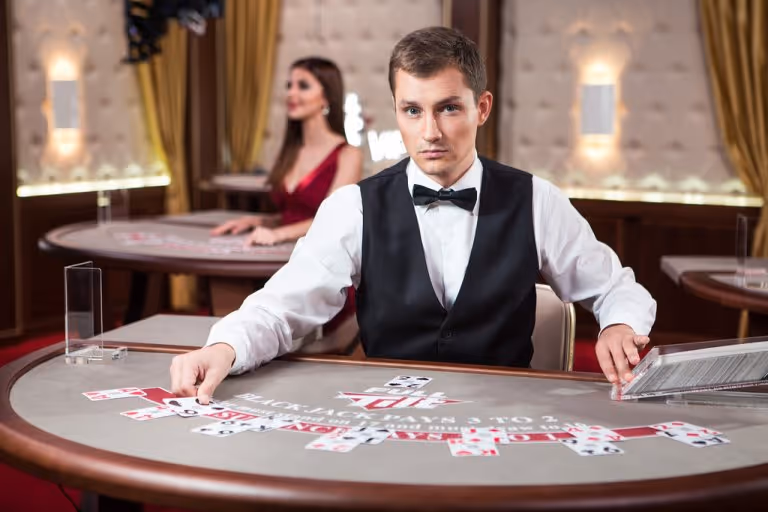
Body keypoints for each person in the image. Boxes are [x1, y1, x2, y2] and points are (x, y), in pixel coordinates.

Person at [171, 27, 656, 404]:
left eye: (448, 108)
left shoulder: (536, 199)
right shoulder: (353, 207)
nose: (430, 132)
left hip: (508, 415)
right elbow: (281, 307)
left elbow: (617, 288)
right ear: (397, 112)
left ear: (481, 108)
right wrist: (225, 347)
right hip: (388, 412)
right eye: (411, 110)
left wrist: (617, 323)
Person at [212, 57, 363, 246]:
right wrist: (259, 221)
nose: (291, 93)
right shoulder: (289, 152)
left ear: (326, 97)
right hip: (281, 253)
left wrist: (278, 234)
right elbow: (294, 214)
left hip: (319, 261)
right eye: (289, 85)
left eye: (303, 86)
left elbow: (333, 220)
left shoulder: (348, 154)